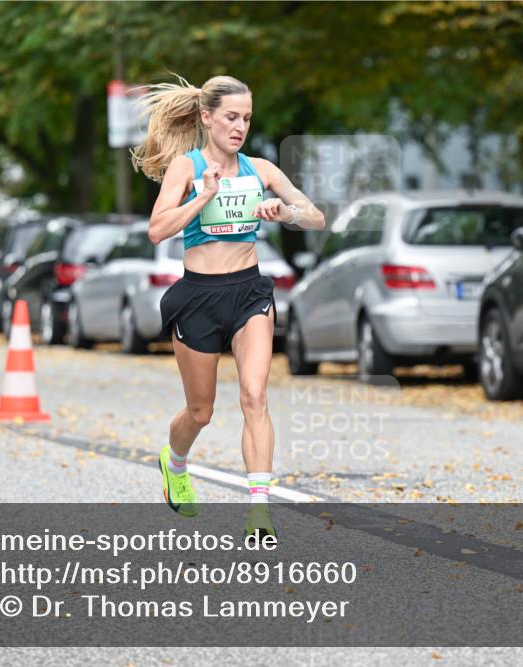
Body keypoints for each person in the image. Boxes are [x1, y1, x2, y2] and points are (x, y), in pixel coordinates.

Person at [132, 74, 325, 540]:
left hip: (248, 294)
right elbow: (157, 231)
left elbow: (317, 216)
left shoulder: (262, 170)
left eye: (247, 118)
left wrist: (286, 212)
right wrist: (203, 196)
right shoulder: (186, 167)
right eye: (231, 117)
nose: (240, 127)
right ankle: (174, 462)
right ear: (207, 118)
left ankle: (259, 512)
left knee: (255, 395)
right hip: (198, 295)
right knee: (200, 412)